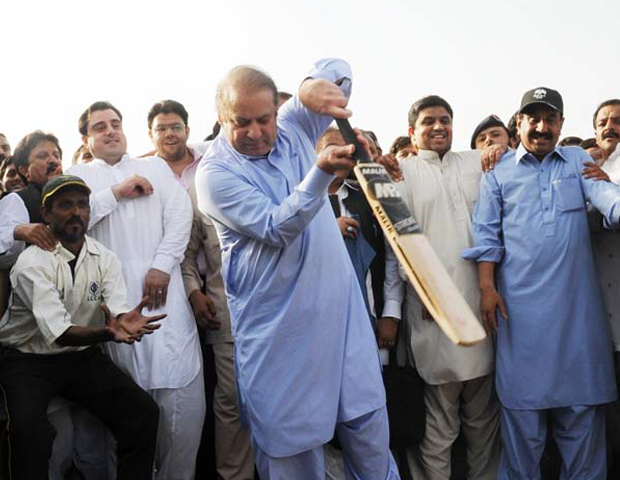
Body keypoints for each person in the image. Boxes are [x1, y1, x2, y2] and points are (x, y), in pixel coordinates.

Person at [196, 59, 400, 480]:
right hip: (281, 338)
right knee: (294, 460)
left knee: (371, 440)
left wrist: (309, 86)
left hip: (342, 323)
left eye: (264, 120)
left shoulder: (292, 127)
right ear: (220, 119)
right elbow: (276, 227)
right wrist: (321, 170)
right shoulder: (214, 174)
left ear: (278, 110)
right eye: (242, 122)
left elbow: (337, 75)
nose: (256, 133)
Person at [464, 87, 620, 479]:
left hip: (577, 323)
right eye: (533, 118)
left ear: (562, 125)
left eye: (550, 119)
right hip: (520, 320)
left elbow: (606, 199)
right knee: (522, 438)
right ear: (519, 124)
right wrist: (486, 288)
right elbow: (487, 238)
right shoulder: (497, 173)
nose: (541, 126)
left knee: (582, 433)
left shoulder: (576, 159)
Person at [68, 101, 203, 480]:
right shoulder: (77, 175)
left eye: (115, 123)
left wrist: (162, 265)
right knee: (124, 415)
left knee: (180, 411)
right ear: (86, 138)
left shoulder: (154, 166)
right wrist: (117, 192)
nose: (110, 131)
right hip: (113, 307)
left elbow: (180, 216)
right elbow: (72, 219)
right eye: (99, 127)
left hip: (166, 295)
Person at [0, 174, 162, 480]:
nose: (76, 212)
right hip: (27, 359)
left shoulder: (105, 257)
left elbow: (116, 311)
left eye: (82, 205)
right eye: (65, 205)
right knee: (29, 432)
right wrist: (108, 332)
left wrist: (123, 320)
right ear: (46, 214)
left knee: (143, 414)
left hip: (80, 356)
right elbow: (60, 332)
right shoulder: (32, 262)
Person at [388, 95, 499, 480]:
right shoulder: (401, 172)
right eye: (429, 121)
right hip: (433, 313)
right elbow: (398, 242)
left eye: (445, 120)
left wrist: (498, 149)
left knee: (484, 425)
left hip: (483, 308)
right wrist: (424, 289)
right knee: (438, 428)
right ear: (411, 131)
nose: (438, 127)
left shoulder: (475, 162)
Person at [147, 99, 253, 480]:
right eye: (162, 128)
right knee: (228, 403)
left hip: (276, 315)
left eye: (176, 126)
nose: (170, 134)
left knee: (278, 402)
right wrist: (194, 291)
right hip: (214, 310)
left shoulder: (273, 181)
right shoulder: (194, 190)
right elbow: (187, 256)